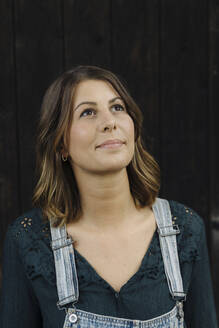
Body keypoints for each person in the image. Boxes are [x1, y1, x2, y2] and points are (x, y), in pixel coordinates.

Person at [0, 65, 218, 328]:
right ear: (61, 143)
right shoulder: (28, 240)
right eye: (88, 112)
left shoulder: (184, 229)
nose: (110, 122)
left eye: (117, 107)